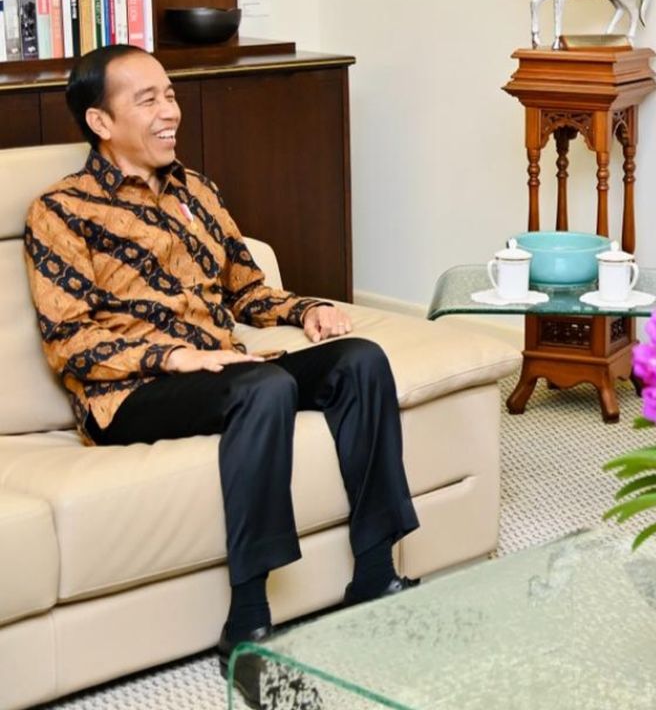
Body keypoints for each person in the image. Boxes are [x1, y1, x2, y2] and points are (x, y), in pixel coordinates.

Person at [23, 45, 419, 707]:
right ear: (100, 121)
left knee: (360, 361)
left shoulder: (197, 191)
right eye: (146, 99)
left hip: (225, 372)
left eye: (169, 95)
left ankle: (374, 578)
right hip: (130, 394)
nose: (168, 111)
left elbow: (248, 293)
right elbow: (70, 342)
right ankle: (247, 624)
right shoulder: (61, 212)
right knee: (261, 386)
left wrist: (310, 310)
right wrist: (177, 359)